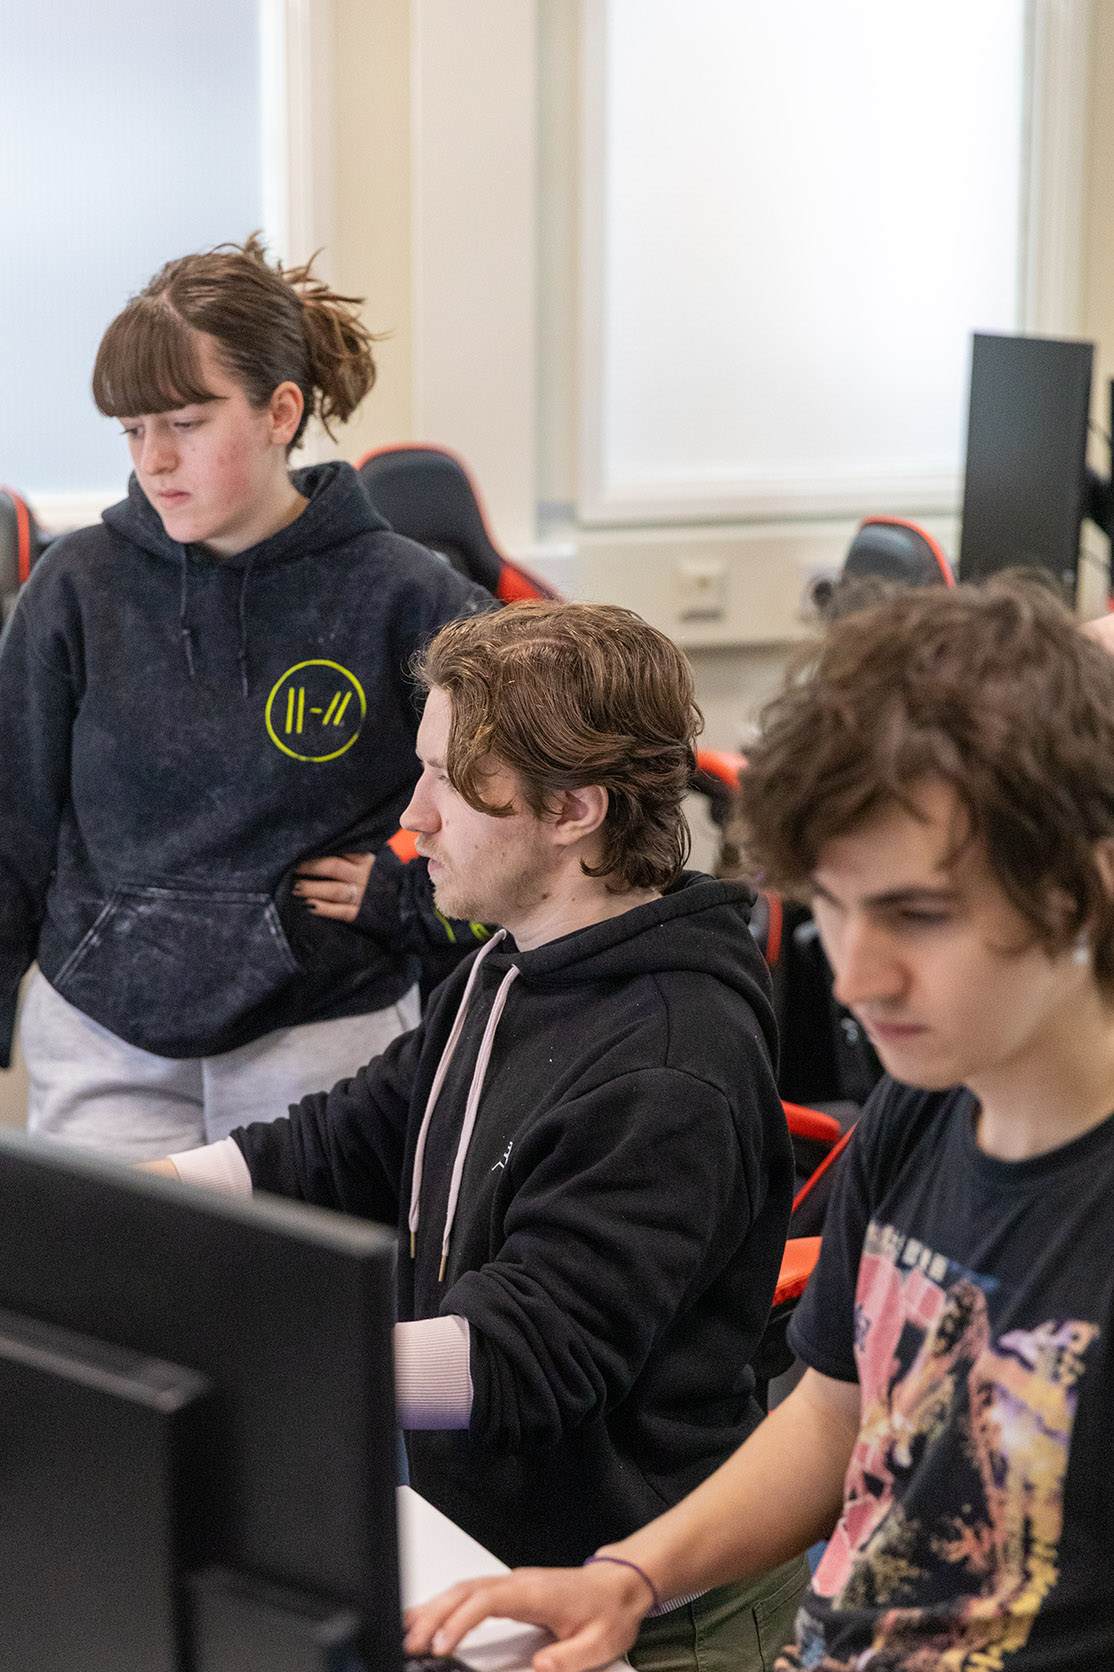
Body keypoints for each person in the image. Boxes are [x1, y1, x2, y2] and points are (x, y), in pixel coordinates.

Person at [404, 578, 1114, 1672]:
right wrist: (629, 1576)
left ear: (1085, 880)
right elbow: (835, 1416)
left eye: (917, 915)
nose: (861, 978)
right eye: (832, 908)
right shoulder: (924, 1105)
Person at [144, 599, 809, 1672]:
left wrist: (252, 1358)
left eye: (451, 781)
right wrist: (127, 1202)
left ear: (573, 810)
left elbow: (520, 1355)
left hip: (648, 1609)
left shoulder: (669, 1067)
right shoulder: (510, 960)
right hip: (497, 1547)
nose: (414, 816)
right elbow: (344, 1141)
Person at [0, 235, 491, 1161]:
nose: (154, 460)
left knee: (308, 1303)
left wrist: (413, 901)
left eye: (185, 422)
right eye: (133, 431)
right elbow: (11, 819)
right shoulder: (74, 586)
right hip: (104, 1026)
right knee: (113, 1298)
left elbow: (520, 801)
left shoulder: (409, 597)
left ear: (280, 411)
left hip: (324, 1029)